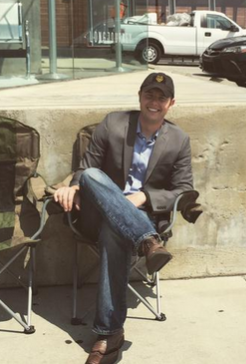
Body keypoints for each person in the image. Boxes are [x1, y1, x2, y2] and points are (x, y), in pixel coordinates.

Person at [54, 72, 194, 364]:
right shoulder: (114, 123)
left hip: (138, 215)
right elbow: (86, 169)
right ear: (140, 96)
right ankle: (147, 240)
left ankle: (109, 335)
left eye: (161, 98)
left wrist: (144, 196)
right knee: (93, 176)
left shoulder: (179, 139)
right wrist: (75, 186)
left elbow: (184, 190)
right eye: (149, 95)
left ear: (171, 103)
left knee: (113, 233)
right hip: (97, 212)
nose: (154, 102)